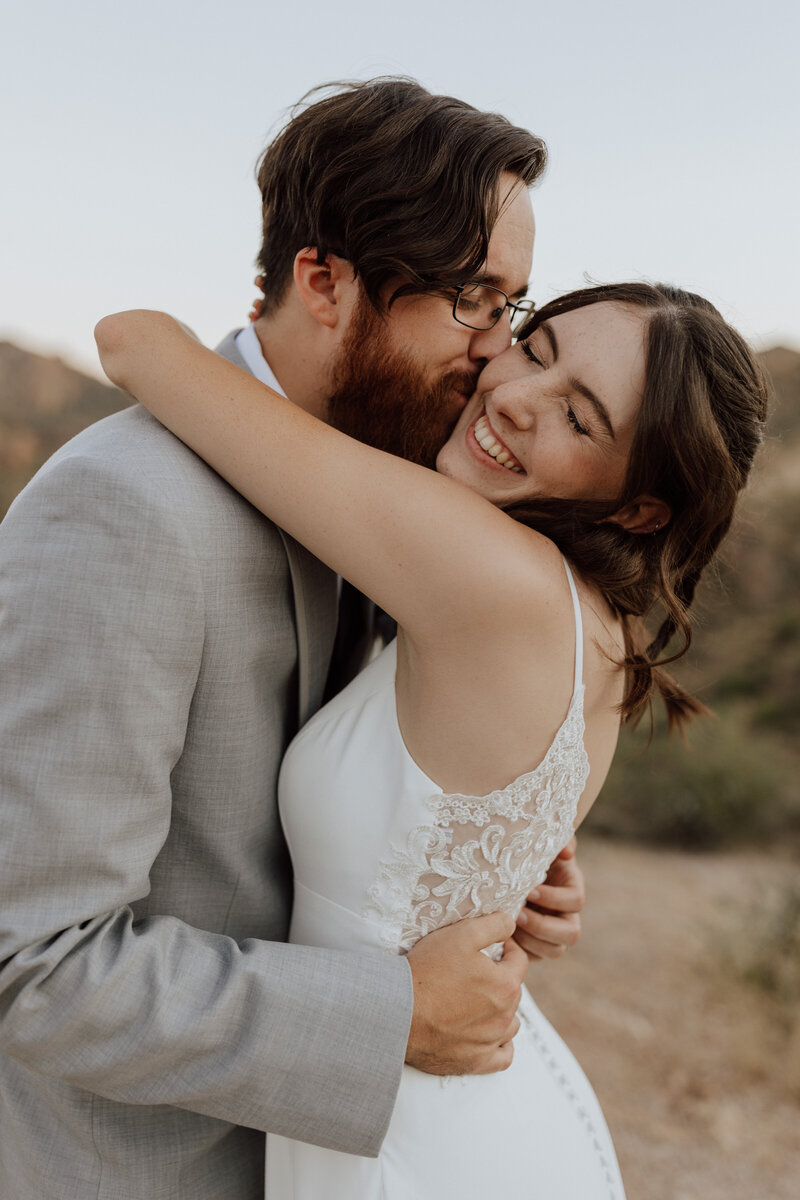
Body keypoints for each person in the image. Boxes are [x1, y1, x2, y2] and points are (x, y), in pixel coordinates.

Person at [0, 80, 583, 1200]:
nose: (496, 356)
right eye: (471, 299)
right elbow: (33, 962)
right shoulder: (123, 510)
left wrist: (485, 864)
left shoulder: (393, 499)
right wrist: (393, 1015)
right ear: (324, 280)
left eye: (514, 305)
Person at [95, 278, 768, 1198]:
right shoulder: (598, 622)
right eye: (534, 346)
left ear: (639, 507)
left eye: (578, 417)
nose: (515, 397)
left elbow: (133, 340)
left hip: (396, 1142)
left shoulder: (488, 572)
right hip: (470, 1109)